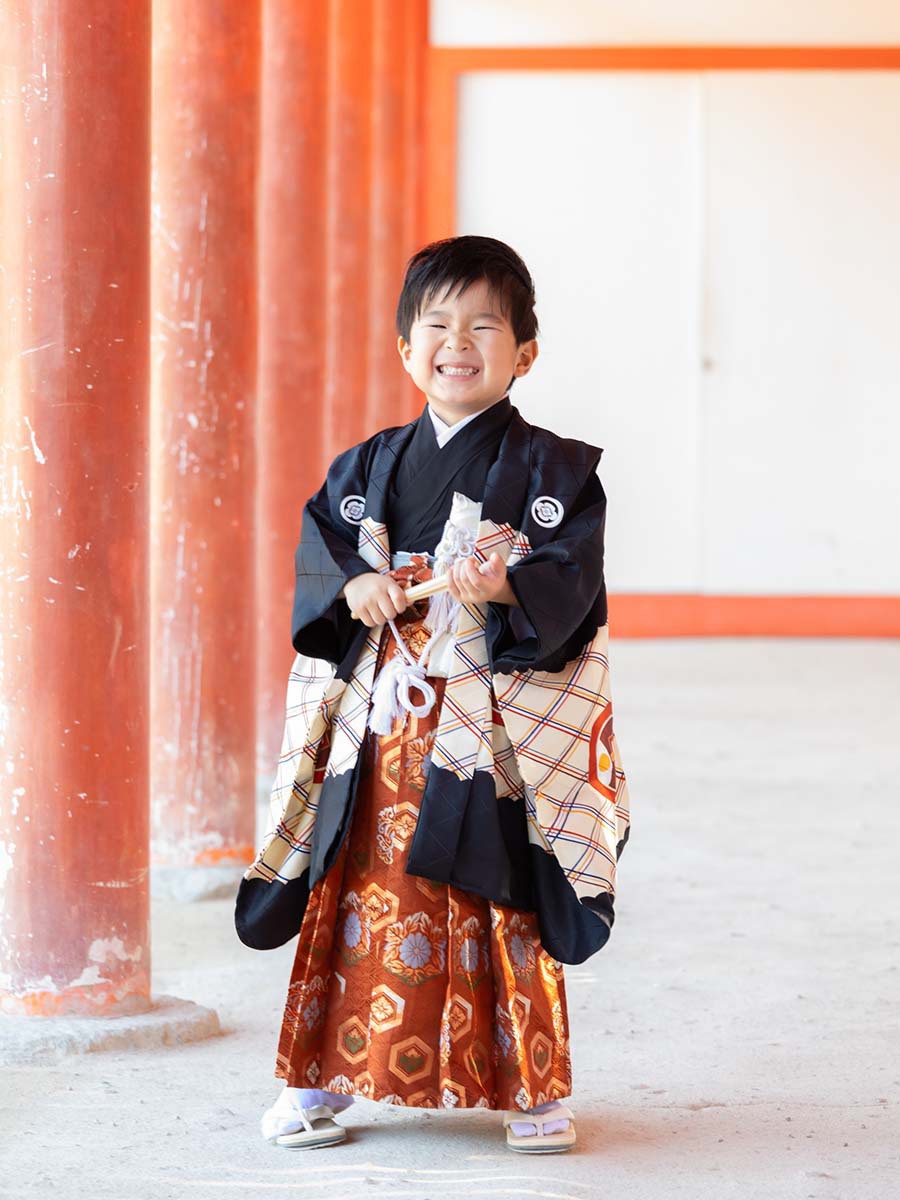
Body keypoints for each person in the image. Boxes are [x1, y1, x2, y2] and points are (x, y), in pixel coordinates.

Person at [235, 235, 631, 1154]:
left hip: (486, 727)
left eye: (484, 326)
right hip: (382, 726)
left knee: (503, 889)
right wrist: (352, 588)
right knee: (352, 882)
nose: (458, 342)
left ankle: (531, 1088)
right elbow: (325, 552)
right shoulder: (369, 466)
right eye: (437, 325)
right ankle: (319, 1081)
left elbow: (573, 573)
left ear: (523, 354)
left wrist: (502, 587)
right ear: (406, 349)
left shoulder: (553, 472)